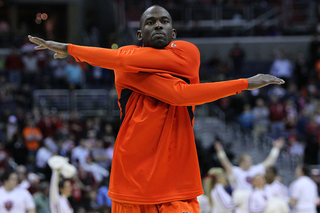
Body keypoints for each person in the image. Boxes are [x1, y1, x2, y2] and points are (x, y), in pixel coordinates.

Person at [28, 5, 284, 213]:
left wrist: (72, 50)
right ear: (140, 35)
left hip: (175, 180)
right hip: (131, 180)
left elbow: (178, 94)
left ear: (173, 32)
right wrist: (244, 84)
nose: (158, 24)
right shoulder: (123, 63)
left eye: (164, 21)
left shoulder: (187, 52)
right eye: (150, 22)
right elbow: (177, 92)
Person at [214, 138, 284, 213]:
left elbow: (269, 162)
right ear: (242, 163)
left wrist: (276, 149)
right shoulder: (236, 171)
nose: (251, 162)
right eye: (248, 160)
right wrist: (220, 151)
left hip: (253, 200)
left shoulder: (255, 169)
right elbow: (225, 163)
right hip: (240, 203)